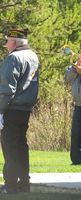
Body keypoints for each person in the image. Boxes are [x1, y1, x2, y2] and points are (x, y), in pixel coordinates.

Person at [0, 27, 39, 194]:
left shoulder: (14, 57)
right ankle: (24, 184)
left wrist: (0, 111)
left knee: (10, 148)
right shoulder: (33, 56)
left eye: (7, 40)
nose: (6, 44)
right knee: (21, 147)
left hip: (11, 108)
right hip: (25, 109)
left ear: (14, 42)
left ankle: (10, 186)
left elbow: (7, 88)